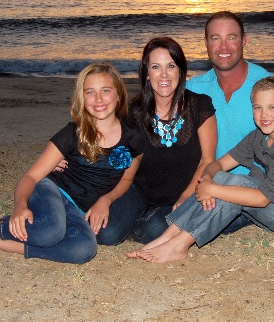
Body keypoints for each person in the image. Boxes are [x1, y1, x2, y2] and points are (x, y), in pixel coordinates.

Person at [0, 63, 146, 264]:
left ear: (119, 94)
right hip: (53, 191)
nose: (98, 99)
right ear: (82, 98)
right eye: (90, 92)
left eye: (105, 90)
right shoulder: (72, 133)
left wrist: (105, 200)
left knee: (83, 250)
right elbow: (31, 176)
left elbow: (126, 179)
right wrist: (20, 206)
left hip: (80, 210)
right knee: (49, 231)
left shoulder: (134, 137)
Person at [128, 76, 274, 263]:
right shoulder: (258, 137)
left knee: (237, 183)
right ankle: (166, 238)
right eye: (257, 107)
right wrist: (208, 180)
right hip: (266, 208)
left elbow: (262, 199)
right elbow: (219, 164)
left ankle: (180, 245)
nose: (264, 115)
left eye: (272, 107)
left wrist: (212, 189)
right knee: (222, 178)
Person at [185, 11, 274, 228]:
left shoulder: (271, 89)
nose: (223, 46)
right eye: (215, 38)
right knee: (155, 226)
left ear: (244, 40)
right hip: (211, 184)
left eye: (231, 37)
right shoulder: (193, 89)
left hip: (254, 195)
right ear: (206, 43)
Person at [90, 37, 217, 245]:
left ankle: (146, 220)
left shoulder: (200, 105)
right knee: (106, 234)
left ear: (180, 71)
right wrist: (67, 157)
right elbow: (109, 146)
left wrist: (186, 196)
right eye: (156, 67)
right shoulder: (134, 112)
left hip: (184, 193)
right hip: (140, 191)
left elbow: (208, 160)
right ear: (147, 73)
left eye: (171, 66)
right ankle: (138, 216)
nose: (164, 74)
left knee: (151, 231)